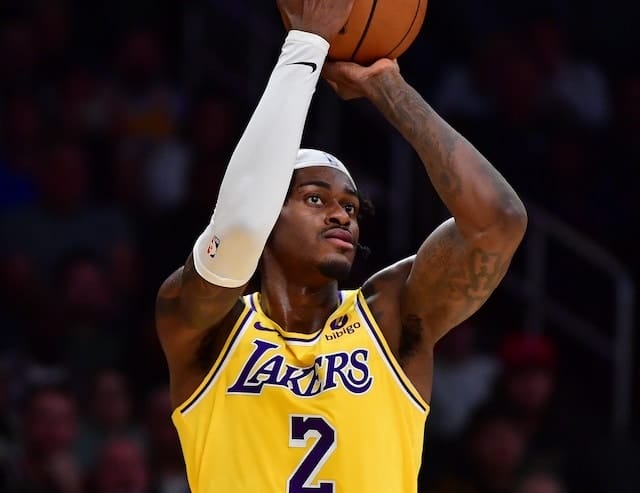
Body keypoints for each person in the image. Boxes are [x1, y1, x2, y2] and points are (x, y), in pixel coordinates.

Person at [155, 0, 527, 491]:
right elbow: (240, 228)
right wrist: (305, 46)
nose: (341, 215)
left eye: (351, 207)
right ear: (270, 212)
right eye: (316, 198)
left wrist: (387, 87)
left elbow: (499, 221)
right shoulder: (207, 325)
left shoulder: (390, 317)